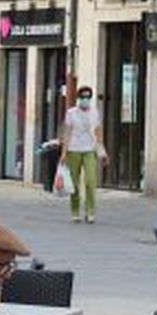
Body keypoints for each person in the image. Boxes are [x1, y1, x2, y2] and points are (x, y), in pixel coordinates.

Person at [57, 85, 106, 224]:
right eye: (83, 97)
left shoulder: (95, 112)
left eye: (88, 97)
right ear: (79, 98)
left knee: (91, 181)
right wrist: (64, 152)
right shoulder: (71, 113)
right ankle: (75, 211)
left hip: (90, 149)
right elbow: (67, 133)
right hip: (74, 149)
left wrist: (102, 151)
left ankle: (90, 211)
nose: (85, 99)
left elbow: (98, 131)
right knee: (74, 182)